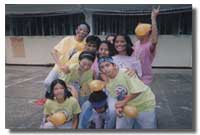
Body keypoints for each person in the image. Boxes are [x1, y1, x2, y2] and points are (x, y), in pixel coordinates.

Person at [98, 56, 157, 129]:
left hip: (145, 104)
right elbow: (119, 97)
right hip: (128, 106)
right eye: (102, 67)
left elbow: (138, 91)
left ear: (114, 65)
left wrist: (124, 102)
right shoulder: (109, 84)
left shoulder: (126, 72)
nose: (105, 69)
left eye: (107, 65)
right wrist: (119, 108)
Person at [44, 23, 90, 94]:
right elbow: (53, 51)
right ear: (76, 30)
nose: (82, 32)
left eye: (85, 31)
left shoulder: (86, 45)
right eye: (80, 29)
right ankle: (53, 96)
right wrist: (60, 66)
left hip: (71, 71)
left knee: (68, 90)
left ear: (87, 34)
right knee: (48, 82)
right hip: (59, 67)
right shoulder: (68, 39)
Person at [132, 6, 159, 85]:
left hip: (145, 79)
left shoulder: (149, 46)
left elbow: (154, 40)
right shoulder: (136, 43)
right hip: (134, 76)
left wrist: (153, 18)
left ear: (146, 33)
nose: (136, 34)